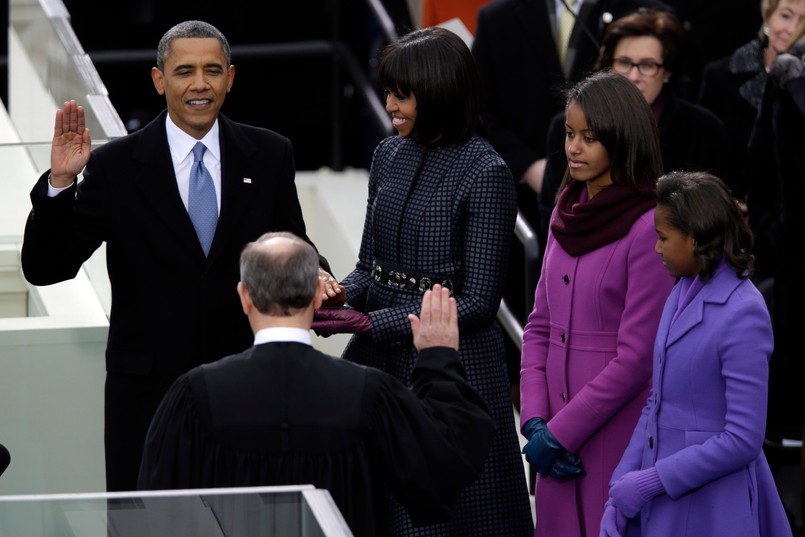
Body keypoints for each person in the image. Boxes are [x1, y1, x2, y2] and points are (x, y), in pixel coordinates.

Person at [20, 20, 339, 492]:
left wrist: (318, 273)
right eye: (184, 70)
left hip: (245, 392)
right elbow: (46, 267)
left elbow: (293, 242)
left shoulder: (269, 154)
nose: (199, 84)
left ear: (230, 78)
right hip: (146, 400)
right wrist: (60, 185)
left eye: (212, 70)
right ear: (158, 79)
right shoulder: (115, 166)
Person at [312, 26, 535, 536]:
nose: (388, 104)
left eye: (400, 94)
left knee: (447, 516)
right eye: (387, 91)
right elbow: (370, 264)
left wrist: (373, 323)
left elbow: (478, 300)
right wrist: (340, 294)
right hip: (381, 362)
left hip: (454, 368)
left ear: (437, 92)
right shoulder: (388, 154)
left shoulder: (487, 171)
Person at [137, 232, 494, 537]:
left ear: (244, 297)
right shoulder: (367, 392)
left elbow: (158, 513)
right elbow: (445, 459)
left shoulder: (195, 396)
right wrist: (437, 358)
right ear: (315, 295)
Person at [519, 70, 675, 537]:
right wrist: (533, 420)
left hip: (613, 435)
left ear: (623, 139)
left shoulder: (650, 224)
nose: (573, 148)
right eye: (569, 133)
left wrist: (561, 432)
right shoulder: (565, 207)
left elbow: (636, 359)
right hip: (551, 441)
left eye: (590, 137)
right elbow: (539, 327)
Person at [600, 171, 793, 537]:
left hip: (716, 509)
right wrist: (620, 487)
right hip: (664, 508)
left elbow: (743, 439)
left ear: (694, 239)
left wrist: (649, 482)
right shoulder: (680, 291)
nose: (656, 248)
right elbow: (655, 404)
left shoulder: (744, 311)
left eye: (663, 238)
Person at [540, 8, 730, 240]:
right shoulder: (567, 126)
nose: (634, 75)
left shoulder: (705, 130)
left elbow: (715, 218)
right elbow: (551, 212)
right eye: (624, 62)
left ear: (667, 72)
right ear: (608, 65)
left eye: (648, 65)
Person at [698, 0, 805, 204]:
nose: (792, 29)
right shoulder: (720, 77)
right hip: (726, 212)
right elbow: (705, 152)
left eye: (803, 22)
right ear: (767, 18)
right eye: (785, 15)